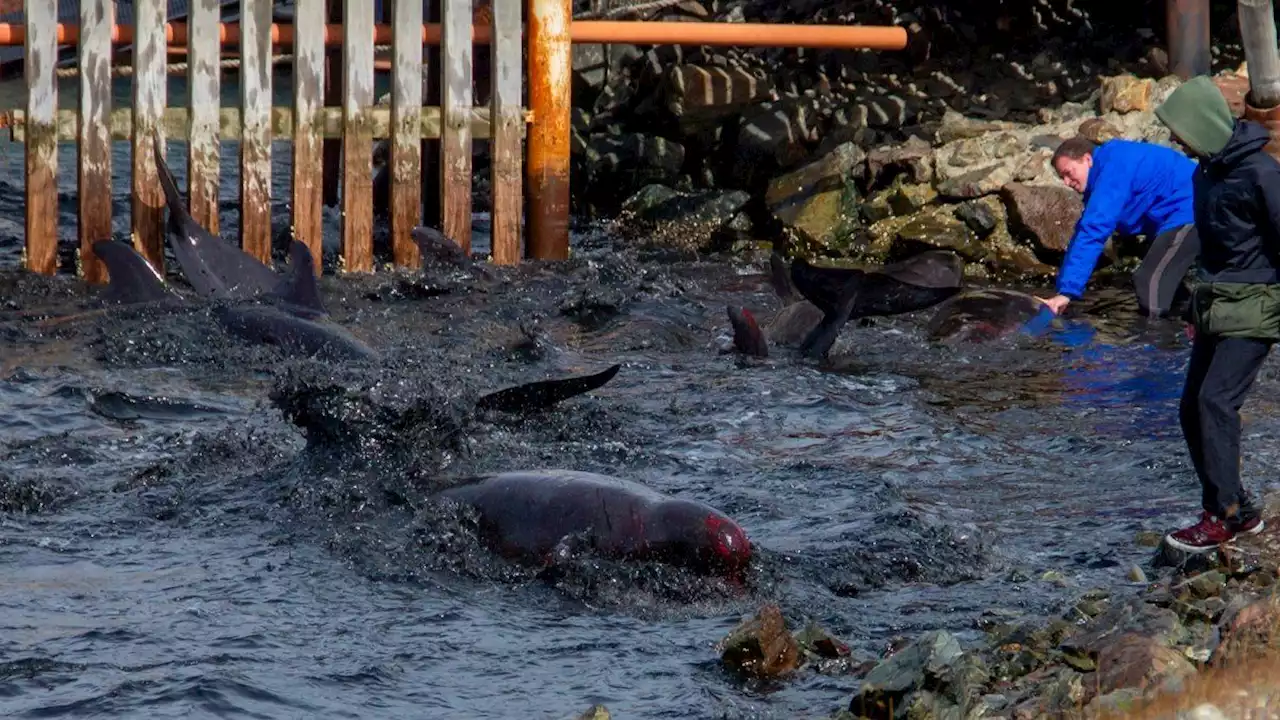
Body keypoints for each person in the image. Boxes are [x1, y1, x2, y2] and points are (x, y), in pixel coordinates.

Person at [1151, 75, 1280, 552]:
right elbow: (1211, 246)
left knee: (1215, 403)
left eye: (1179, 130)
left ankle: (1223, 517)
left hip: (1256, 306)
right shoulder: (1203, 172)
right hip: (1214, 304)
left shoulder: (1262, 174)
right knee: (1190, 410)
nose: (1174, 140)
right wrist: (1191, 306)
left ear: (1203, 124)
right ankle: (1239, 509)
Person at [1038, 135, 1200, 318]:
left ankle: (1158, 340)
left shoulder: (1114, 167)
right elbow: (1084, 230)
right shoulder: (1109, 164)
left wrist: (1067, 293)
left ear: (1087, 159)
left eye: (1069, 172)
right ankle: (1191, 331)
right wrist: (1061, 289)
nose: (1067, 182)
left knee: (1148, 281)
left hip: (1192, 210)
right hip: (1182, 212)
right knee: (1169, 286)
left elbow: (1094, 230)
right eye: (1062, 178)